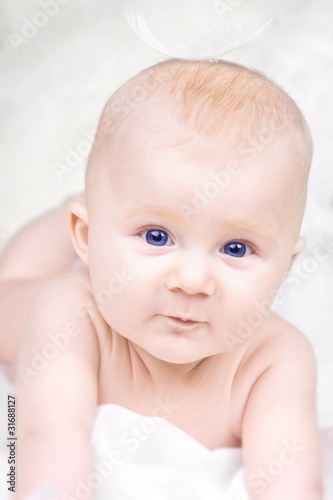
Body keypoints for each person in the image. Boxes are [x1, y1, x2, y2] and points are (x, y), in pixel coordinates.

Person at [0, 58, 323, 499]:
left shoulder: (274, 357)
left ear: (285, 268)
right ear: (88, 237)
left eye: (236, 248)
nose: (192, 281)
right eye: (157, 235)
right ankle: (71, 212)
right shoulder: (69, 314)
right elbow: (47, 438)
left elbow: (290, 477)